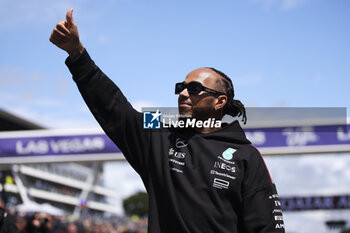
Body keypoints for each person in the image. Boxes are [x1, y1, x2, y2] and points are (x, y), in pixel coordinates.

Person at [50, 8, 285, 233]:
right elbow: (116, 108)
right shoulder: (161, 133)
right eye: (181, 88)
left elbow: (266, 227)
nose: (183, 93)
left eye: (194, 89)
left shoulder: (247, 155)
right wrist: (78, 55)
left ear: (219, 102)